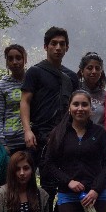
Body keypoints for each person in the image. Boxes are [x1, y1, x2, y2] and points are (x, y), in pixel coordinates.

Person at [19, 26, 79, 166]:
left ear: (67, 48)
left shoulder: (71, 77)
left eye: (62, 44)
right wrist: (27, 131)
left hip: (63, 134)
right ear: (46, 46)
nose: (58, 47)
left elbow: (76, 106)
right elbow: (25, 101)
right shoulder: (35, 72)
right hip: (38, 133)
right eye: (53, 43)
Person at [0, 44, 28, 153]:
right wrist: (2, 143)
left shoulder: (33, 81)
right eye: (10, 59)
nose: (14, 62)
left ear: (25, 59)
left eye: (18, 58)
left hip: (30, 139)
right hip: (9, 142)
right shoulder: (1, 85)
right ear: (6, 62)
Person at [77, 51, 106, 125]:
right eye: (90, 68)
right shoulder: (74, 89)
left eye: (97, 68)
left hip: (96, 135)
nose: (94, 71)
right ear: (82, 71)